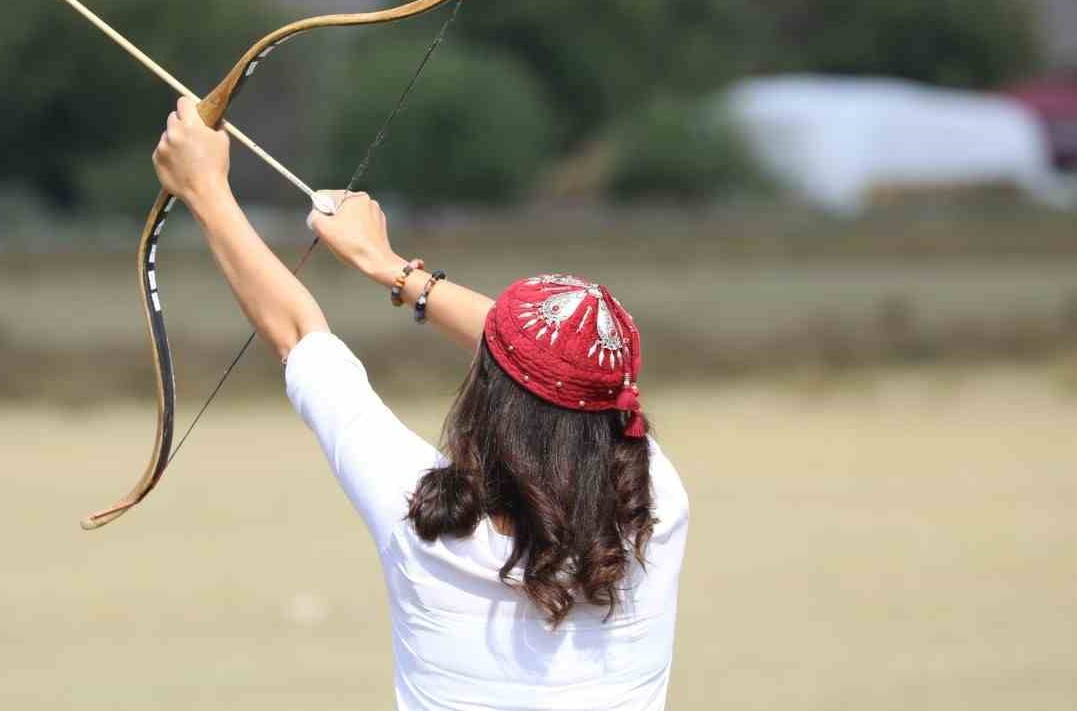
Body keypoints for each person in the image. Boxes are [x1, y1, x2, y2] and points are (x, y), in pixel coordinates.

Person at [153, 97, 690, 710]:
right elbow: (565, 368)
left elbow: (301, 336)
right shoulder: (656, 507)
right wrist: (385, 267)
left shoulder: (425, 522)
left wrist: (204, 189)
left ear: (491, 390)